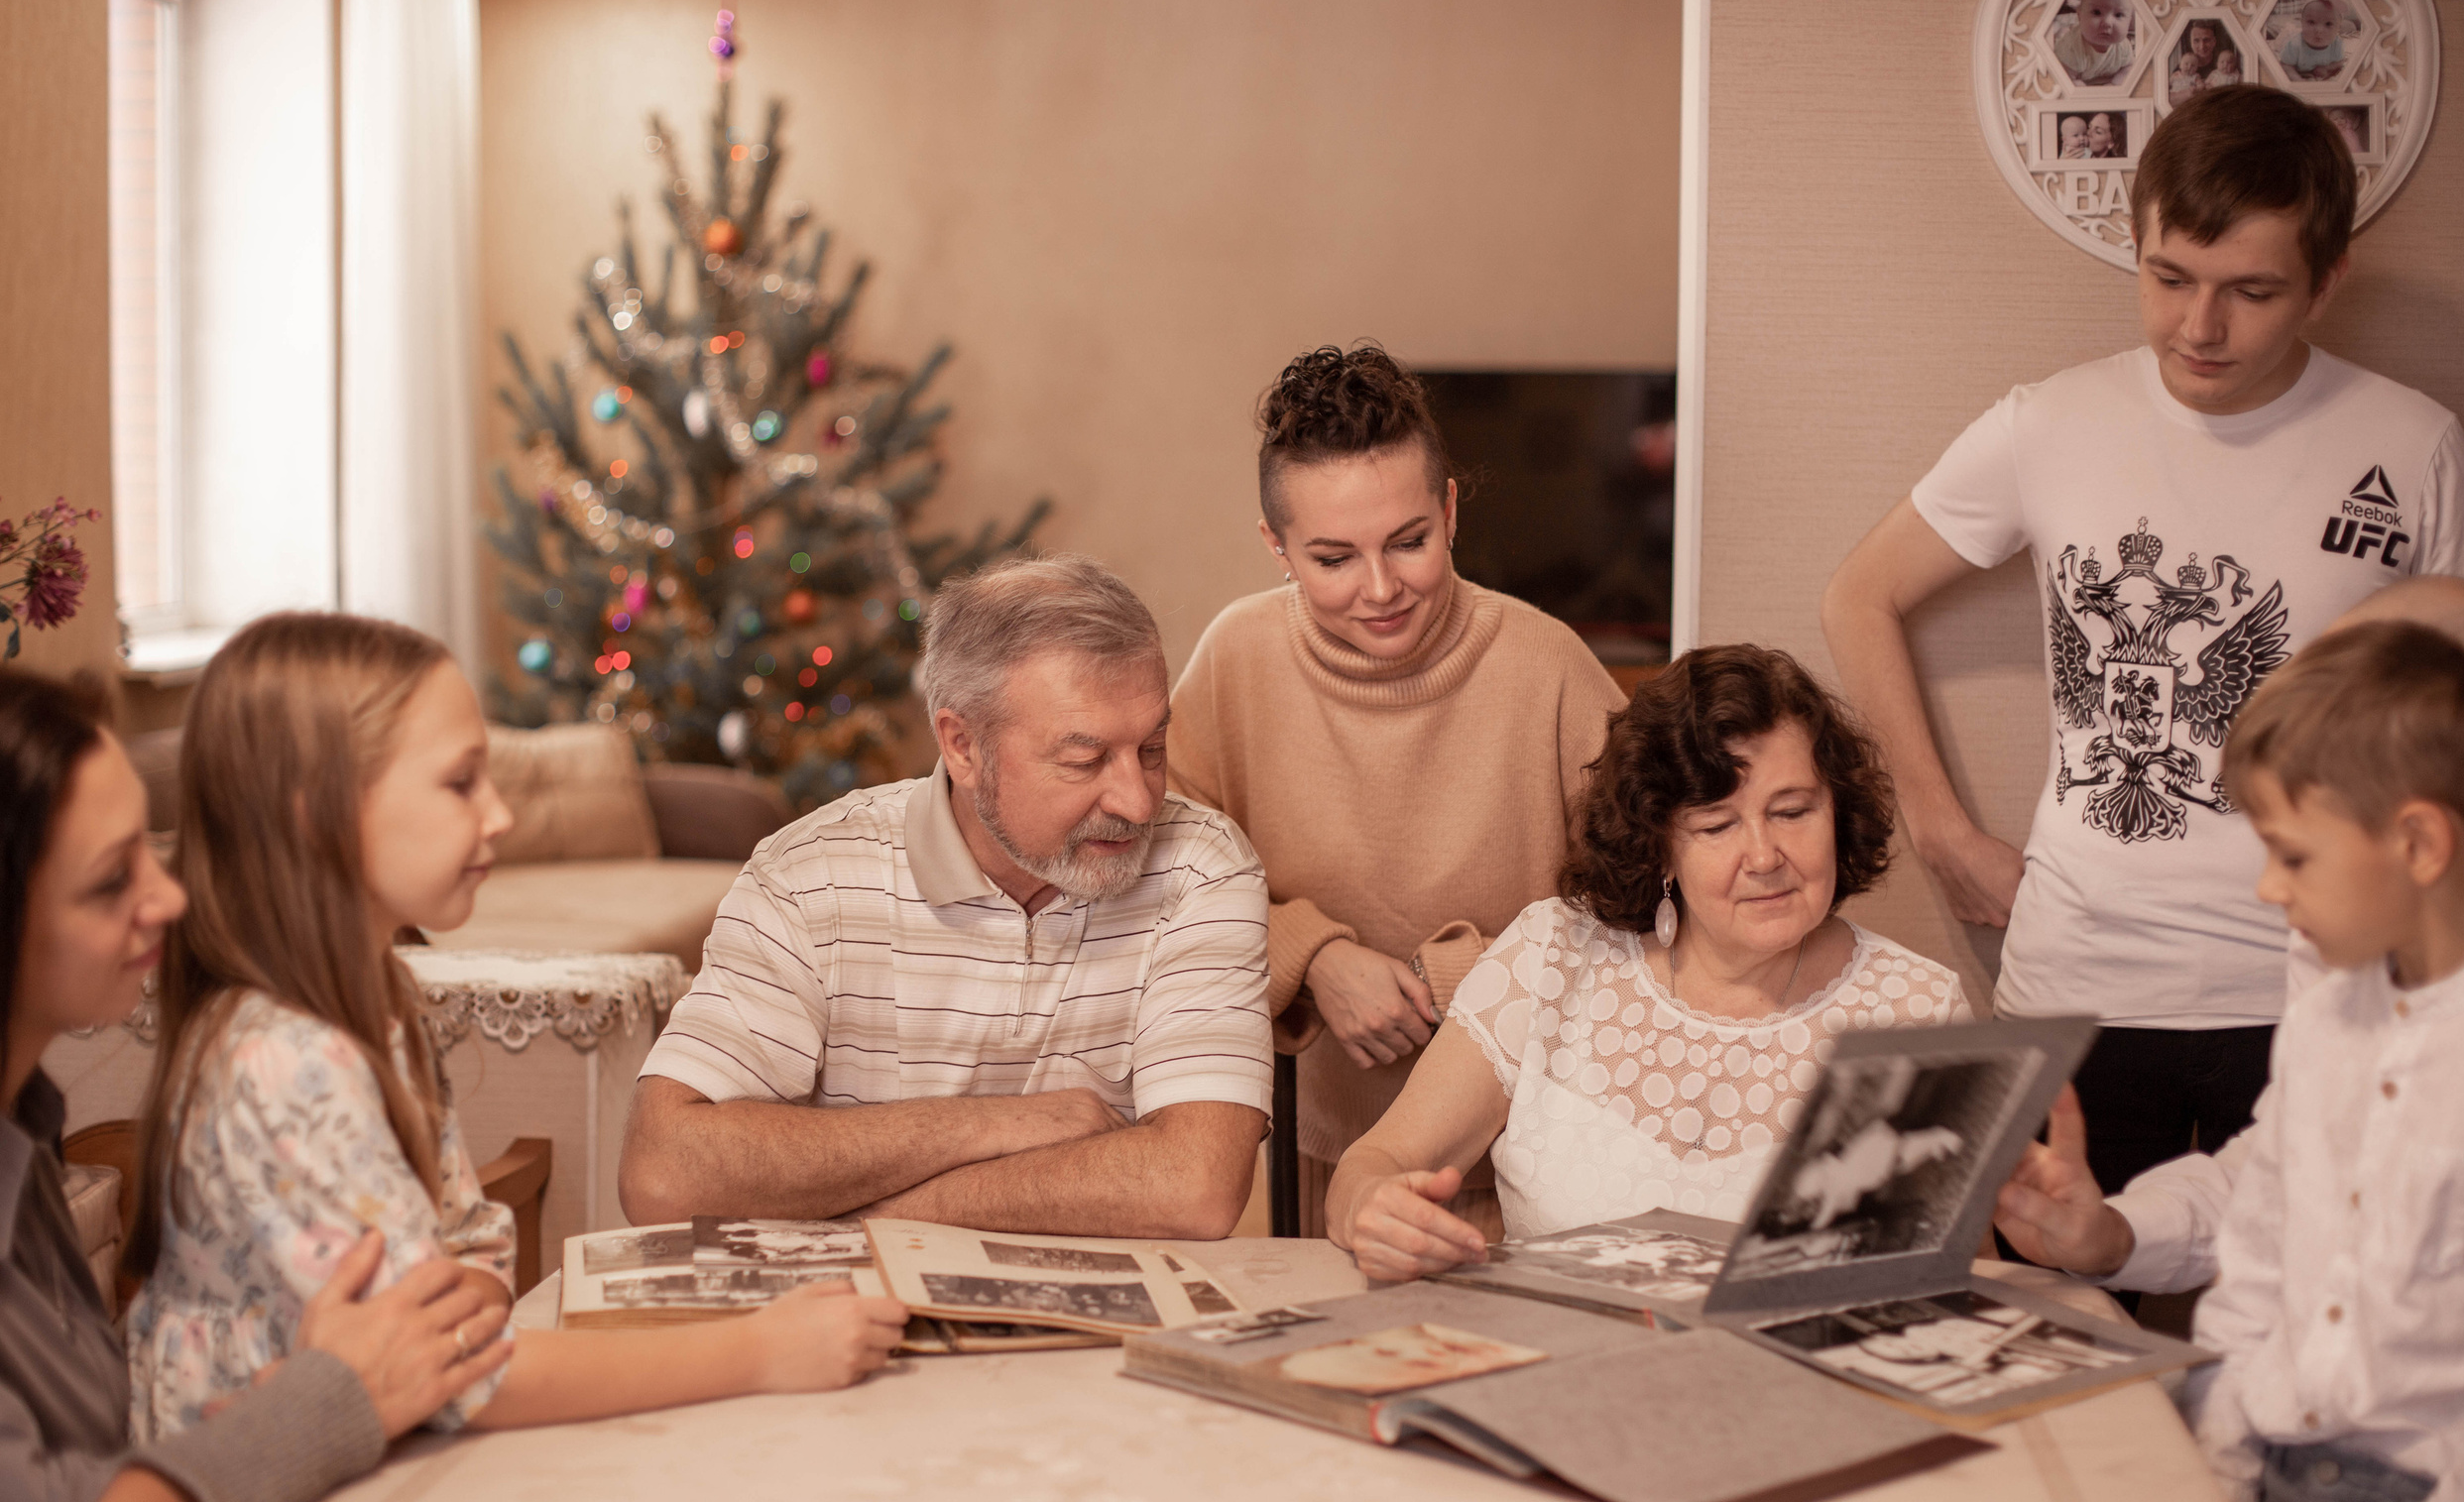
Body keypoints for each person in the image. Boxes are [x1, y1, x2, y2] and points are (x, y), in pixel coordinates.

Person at [1820, 85, 2464, 1213]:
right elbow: (1859, 595)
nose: (2198, 327)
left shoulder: (2411, 442)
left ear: (2326, 281)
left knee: (2296, 1334)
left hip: (2314, 988)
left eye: (2251, 291)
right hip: (2074, 980)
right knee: (2058, 1326)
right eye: (2168, 276)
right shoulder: (2048, 423)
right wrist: (1937, 830)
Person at [125, 615, 906, 1438]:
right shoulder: (283, 1060)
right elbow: (457, 1378)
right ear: (315, 812)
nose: (498, 815)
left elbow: (470, 1244)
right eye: (461, 784)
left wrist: (469, 1296)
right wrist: (758, 1352)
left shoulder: (377, 1003)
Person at [0, 670, 509, 1502]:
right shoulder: (274, 1056)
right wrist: (320, 1400)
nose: (170, 897)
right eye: (111, 882)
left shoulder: (26, 1127)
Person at [624, 554, 1272, 1238]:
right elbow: (663, 1174)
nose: (1138, 802)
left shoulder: (1203, 868)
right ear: (962, 745)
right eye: (1084, 760)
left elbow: (1193, 1188)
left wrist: (863, 1211)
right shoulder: (806, 877)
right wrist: (1012, 1123)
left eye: (1151, 747)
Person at [1324, 646, 1969, 1281]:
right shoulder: (1551, 957)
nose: (1765, 855)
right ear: (1660, 846)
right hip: (1549, 1369)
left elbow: (1957, 1283)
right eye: (1717, 825)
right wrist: (1368, 1206)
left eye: (1792, 811)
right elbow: (1377, 1160)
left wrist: (2065, 1238)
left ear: (1838, 812)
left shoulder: (1918, 1011)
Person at [1167, 344, 1622, 1240]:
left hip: (1529, 1156)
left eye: (1409, 543)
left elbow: (1649, 909)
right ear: (1276, 546)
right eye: (1333, 558)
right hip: (1313, 1150)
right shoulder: (1236, 657)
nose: (1380, 589)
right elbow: (1163, 870)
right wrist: (1310, 955)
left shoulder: (1549, 665)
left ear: (1450, 509)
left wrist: (1449, 978)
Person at [1997, 578, 2464, 1295]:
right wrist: (2115, 1236)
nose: (2270, 892)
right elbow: (2293, 1159)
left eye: (2298, 856)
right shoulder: (2349, 927)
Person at [2190, 621, 2464, 1502]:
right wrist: (2221, 1468)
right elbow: (2254, 1266)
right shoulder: (2324, 1017)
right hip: (2277, 1479)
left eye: (2290, 854)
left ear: (2419, 845)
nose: (2268, 889)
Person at [2053, 0, 2136, 87]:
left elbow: (2129, 68)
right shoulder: (2071, 48)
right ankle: (2065, 30)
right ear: (2079, 16)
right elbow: (2063, 78)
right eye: (2097, 12)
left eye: (2118, 15)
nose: (2107, 22)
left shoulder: (2123, 47)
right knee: (2060, 35)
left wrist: (2114, 84)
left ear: (2129, 21)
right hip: (2077, 74)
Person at [2279, 0, 2347, 80]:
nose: (2319, 30)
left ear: (2338, 27)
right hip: (2289, 45)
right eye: (2311, 22)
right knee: (2283, 38)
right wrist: (2298, 80)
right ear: (2302, 23)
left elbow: (2339, 62)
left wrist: (2327, 68)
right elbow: (2286, 65)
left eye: (2328, 24)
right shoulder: (2295, 44)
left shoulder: (2337, 44)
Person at [2168, 18, 2226, 100]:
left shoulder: (2224, 64)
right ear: (2191, 43)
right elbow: (2166, 97)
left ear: (2214, 42)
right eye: (2196, 41)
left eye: (2206, 40)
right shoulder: (2181, 68)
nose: (2202, 46)